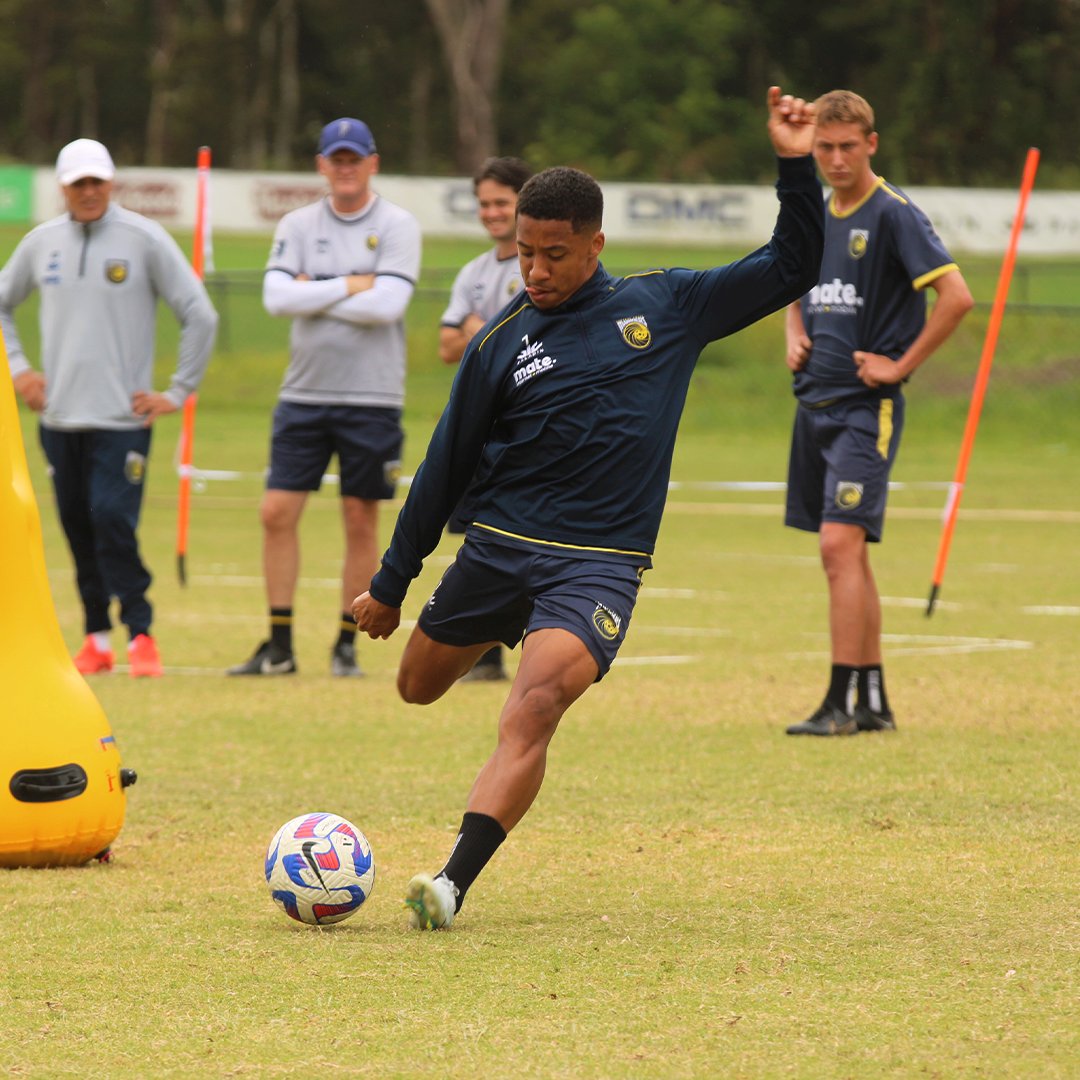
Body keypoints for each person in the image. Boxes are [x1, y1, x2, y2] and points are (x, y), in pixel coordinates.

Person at [352, 87, 825, 929]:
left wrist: (794, 161)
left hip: (597, 564)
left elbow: (793, 265)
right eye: (525, 254)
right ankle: (487, 627)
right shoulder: (500, 343)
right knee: (416, 686)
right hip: (497, 548)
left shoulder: (667, 307)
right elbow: (443, 466)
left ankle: (451, 884)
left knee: (532, 705)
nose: (535, 271)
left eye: (554, 255)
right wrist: (392, 583)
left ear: (595, 245)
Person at [782, 90, 973, 736]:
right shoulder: (815, 210)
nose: (835, 159)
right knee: (849, 556)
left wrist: (900, 364)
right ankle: (872, 702)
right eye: (824, 148)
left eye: (846, 146)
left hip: (866, 408)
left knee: (840, 546)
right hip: (814, 403)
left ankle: (838, 703)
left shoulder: (893, 215)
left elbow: (956, 297)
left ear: (871, 143)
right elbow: (790, 275)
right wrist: (792, 329)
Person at [0, 138, 218, 678]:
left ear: (111, 183)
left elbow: (199, 314)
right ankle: (97, 638)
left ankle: (141, 633)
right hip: (59, 419)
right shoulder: (41, 243)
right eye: (79, 184)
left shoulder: (143, 239)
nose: (89, 192)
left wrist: (176, 390)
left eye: (97, 181)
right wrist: (20, 369)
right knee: (77, 524)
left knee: (112, 519)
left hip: (123, 420)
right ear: (64, 188)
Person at [227, 118, 421, 679]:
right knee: (275, 511)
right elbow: (274, 298)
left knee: (361, 518)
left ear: (372, 163)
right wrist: (354, 283)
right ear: (321, 164)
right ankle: (280, 643)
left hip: (372, 396)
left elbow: (388, 306)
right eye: (335, 158)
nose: (345, 167)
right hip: (303, 394)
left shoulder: (397, 225)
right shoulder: (297, 224)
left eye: (354, 158)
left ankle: (345, 643)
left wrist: (311, 292)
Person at [438, 156, 533, 682]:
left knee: (518, 531)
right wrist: (486, 331)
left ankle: (523, 640)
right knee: (480, 535)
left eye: (501, 202)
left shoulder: (539, 264)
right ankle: (488, 652)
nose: (492, 213)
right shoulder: (473, 272)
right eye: (485, 204)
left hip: (526, 424)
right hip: (481, 427)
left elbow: (529, 340)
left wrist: (480, 330)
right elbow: (447, 344)